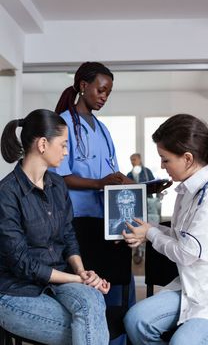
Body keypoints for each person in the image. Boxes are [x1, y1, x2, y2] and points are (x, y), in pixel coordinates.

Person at [0, 109, 110, 345]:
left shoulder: (58, 185)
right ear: (42, 144)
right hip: (15, 291)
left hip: (57, 280)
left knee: (92, 303)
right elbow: (23, 264)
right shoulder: (6, 194)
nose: (66, 151)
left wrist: (82, 273)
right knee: (90, 328)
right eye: (63, 144)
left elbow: (68, 235)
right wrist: (78, 281)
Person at [123, 114, 208, 345]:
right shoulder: (187, 191)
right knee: (136, 321)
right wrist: (147, 228)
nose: (162, 166)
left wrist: (150, 235)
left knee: (181, 343)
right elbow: (178, 236)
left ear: (188, 158)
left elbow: (187, 252)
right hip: (190, 286)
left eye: (165, 159)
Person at [52, 61, 135, 345]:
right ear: (83, 86)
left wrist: (129, 184)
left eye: (108, 93)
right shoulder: (62, 124)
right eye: (101, 90)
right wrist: (101, 183)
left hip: (105, 219)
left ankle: (117, 339)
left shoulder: (102, 129)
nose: (104, 96)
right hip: (78, 221)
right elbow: (59, 177)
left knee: (117, 283)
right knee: (91, 287)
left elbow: (110, 172)